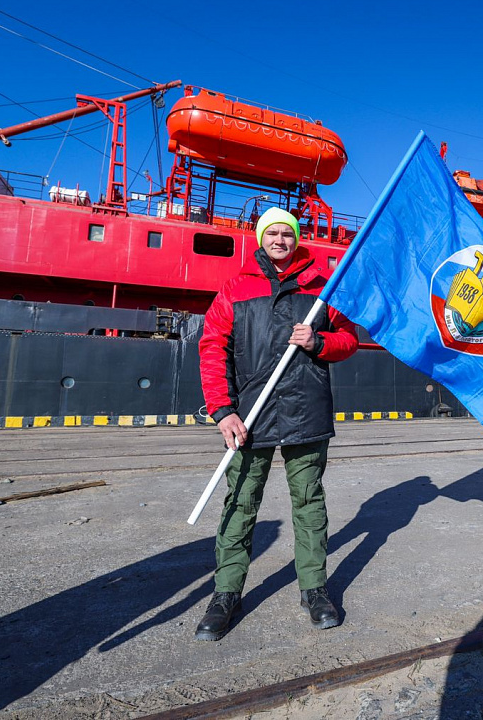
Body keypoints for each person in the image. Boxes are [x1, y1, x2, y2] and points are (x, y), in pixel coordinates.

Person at [196, 207, 359, 641]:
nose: (281, 240)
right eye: (273, 233)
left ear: (297, 239)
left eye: (288, 233)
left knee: (309, 504)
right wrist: (223, 411)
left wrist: (319, 341)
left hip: (306, 414)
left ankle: (314, 588)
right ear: (261, 238)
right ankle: (226, 593)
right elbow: (213, 349)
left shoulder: (323, 290)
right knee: (240, 505)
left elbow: (349, 340)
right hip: (250, 417)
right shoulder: (235, 289)